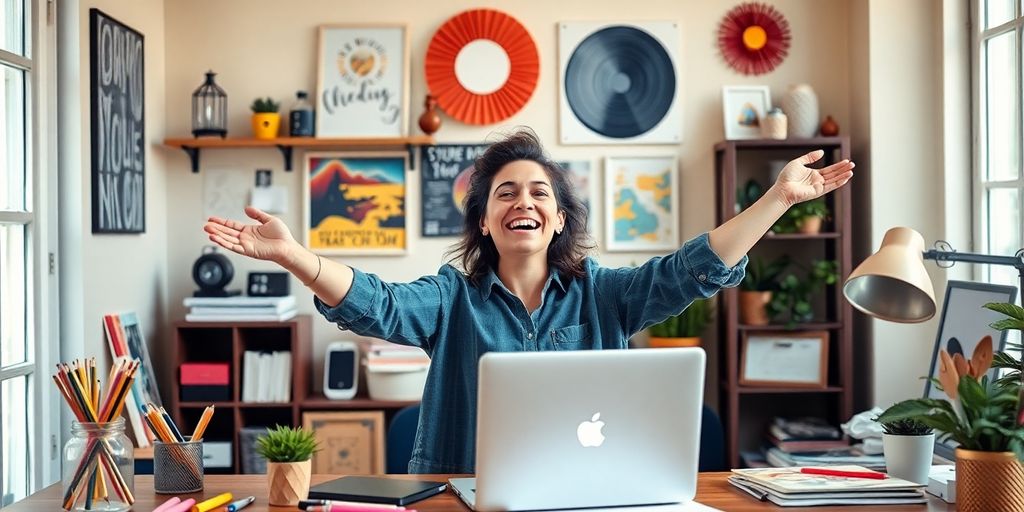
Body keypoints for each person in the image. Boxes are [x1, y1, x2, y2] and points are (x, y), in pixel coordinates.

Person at [204, 129, 854, 473]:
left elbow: (695, 268)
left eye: (540, 193)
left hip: (591, 492)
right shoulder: (450, 297)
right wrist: (294, 256)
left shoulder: (607, 294)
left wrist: (776, 200)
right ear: (484, 222)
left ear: (561, 219)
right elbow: (380, 305)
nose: (525, 203)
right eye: (506, 194)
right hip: (467, 490)